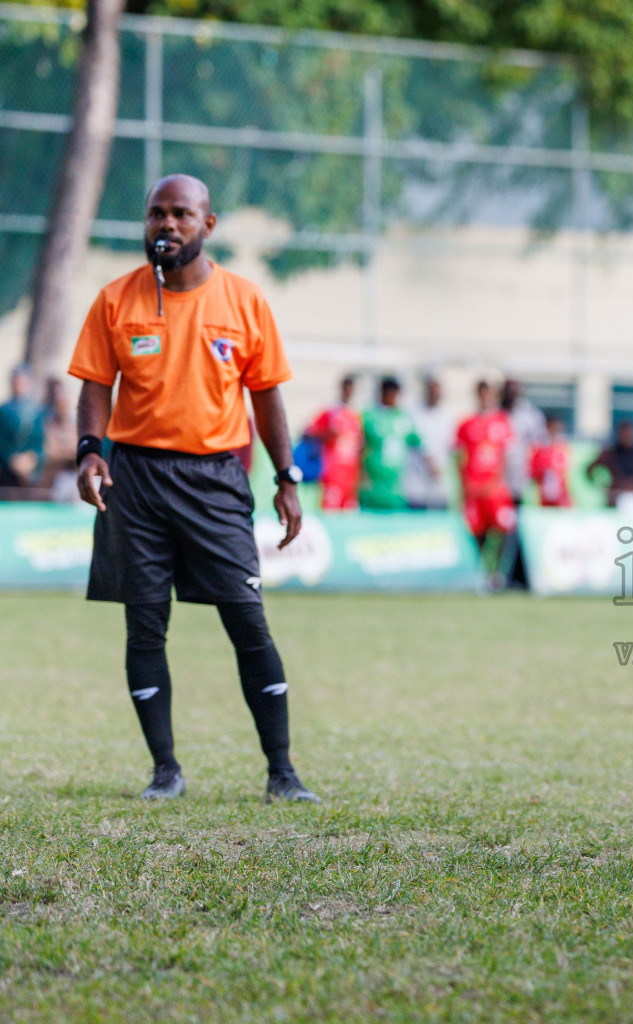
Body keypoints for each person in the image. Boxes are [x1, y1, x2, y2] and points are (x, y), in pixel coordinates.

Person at [68, 173, 318, 802]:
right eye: (156, 214)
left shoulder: (243, 301)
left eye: (181, 214)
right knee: (145, 626)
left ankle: (282, 775)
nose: (166, 225)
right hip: (136, 479)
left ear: (208, 226)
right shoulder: (114, 301)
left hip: (216, 480)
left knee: (248, 621)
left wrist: (287, 477)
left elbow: (266, 395)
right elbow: (96, 384)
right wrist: (90, 452)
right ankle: (165, 772)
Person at [454, 380, 515, 552]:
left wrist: (497, 482)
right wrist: (464, 486)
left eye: (488, 393)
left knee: (505, 529)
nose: (484, 397)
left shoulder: (503, 421)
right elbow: (460, 458)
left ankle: (497, 572)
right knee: (474, 533)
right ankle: (479, 573)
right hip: (473, 490)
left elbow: (507, 457)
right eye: (481, 393)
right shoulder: (466, 423)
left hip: (494, 490)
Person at [360, 376, 424, 511]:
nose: (393, 397)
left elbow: (421, 445)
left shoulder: (404, 418)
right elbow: (360, 447)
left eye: (396, 393)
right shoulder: (369, 416)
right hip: (372, 487)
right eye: (390, 393)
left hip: (396, 489)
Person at [303, 375, 362, 511]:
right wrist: (326, 434)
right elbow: (307, 432)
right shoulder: (330, 412)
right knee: (330, 509)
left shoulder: (356, 414)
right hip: (332, 474)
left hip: (350, 478)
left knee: (348, 512)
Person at [586, 420, 633, 510]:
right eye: (625, 433)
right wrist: (603, 485)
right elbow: (590, 469)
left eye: (630, 433)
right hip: (618, 497)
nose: (628, 436)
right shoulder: (611, 454)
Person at [405, 374, 451, 510]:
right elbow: (420, 444)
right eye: (432, 390)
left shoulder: (447, 418)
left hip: (439, 489)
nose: (435, 394)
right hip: (416, 490)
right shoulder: (414, 414)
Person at [500, 378, 547, 505]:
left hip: (520, 474)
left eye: (513, 390)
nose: (510, 393)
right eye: (508, 390)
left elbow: (539, 444)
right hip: (497, 475)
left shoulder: (529, 415)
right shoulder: (495, 413)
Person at [0, 364, 46, 491]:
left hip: (31, 473)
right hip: (7, 472)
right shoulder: (3, 411)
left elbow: (40, 442)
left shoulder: (37, 411)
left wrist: (31, 459)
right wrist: (12, 460)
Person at [41, 377, 78, 500]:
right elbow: (50, 452)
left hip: (73, 476)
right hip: (55, 478)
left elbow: (77, 450)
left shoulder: (76, 425)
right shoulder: (48, 423)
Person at [527, 413, 573, 508]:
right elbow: (534, 471)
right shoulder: (539, 447)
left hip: (560, 493)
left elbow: (565, 470)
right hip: (544, 493)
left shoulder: (562, 446)